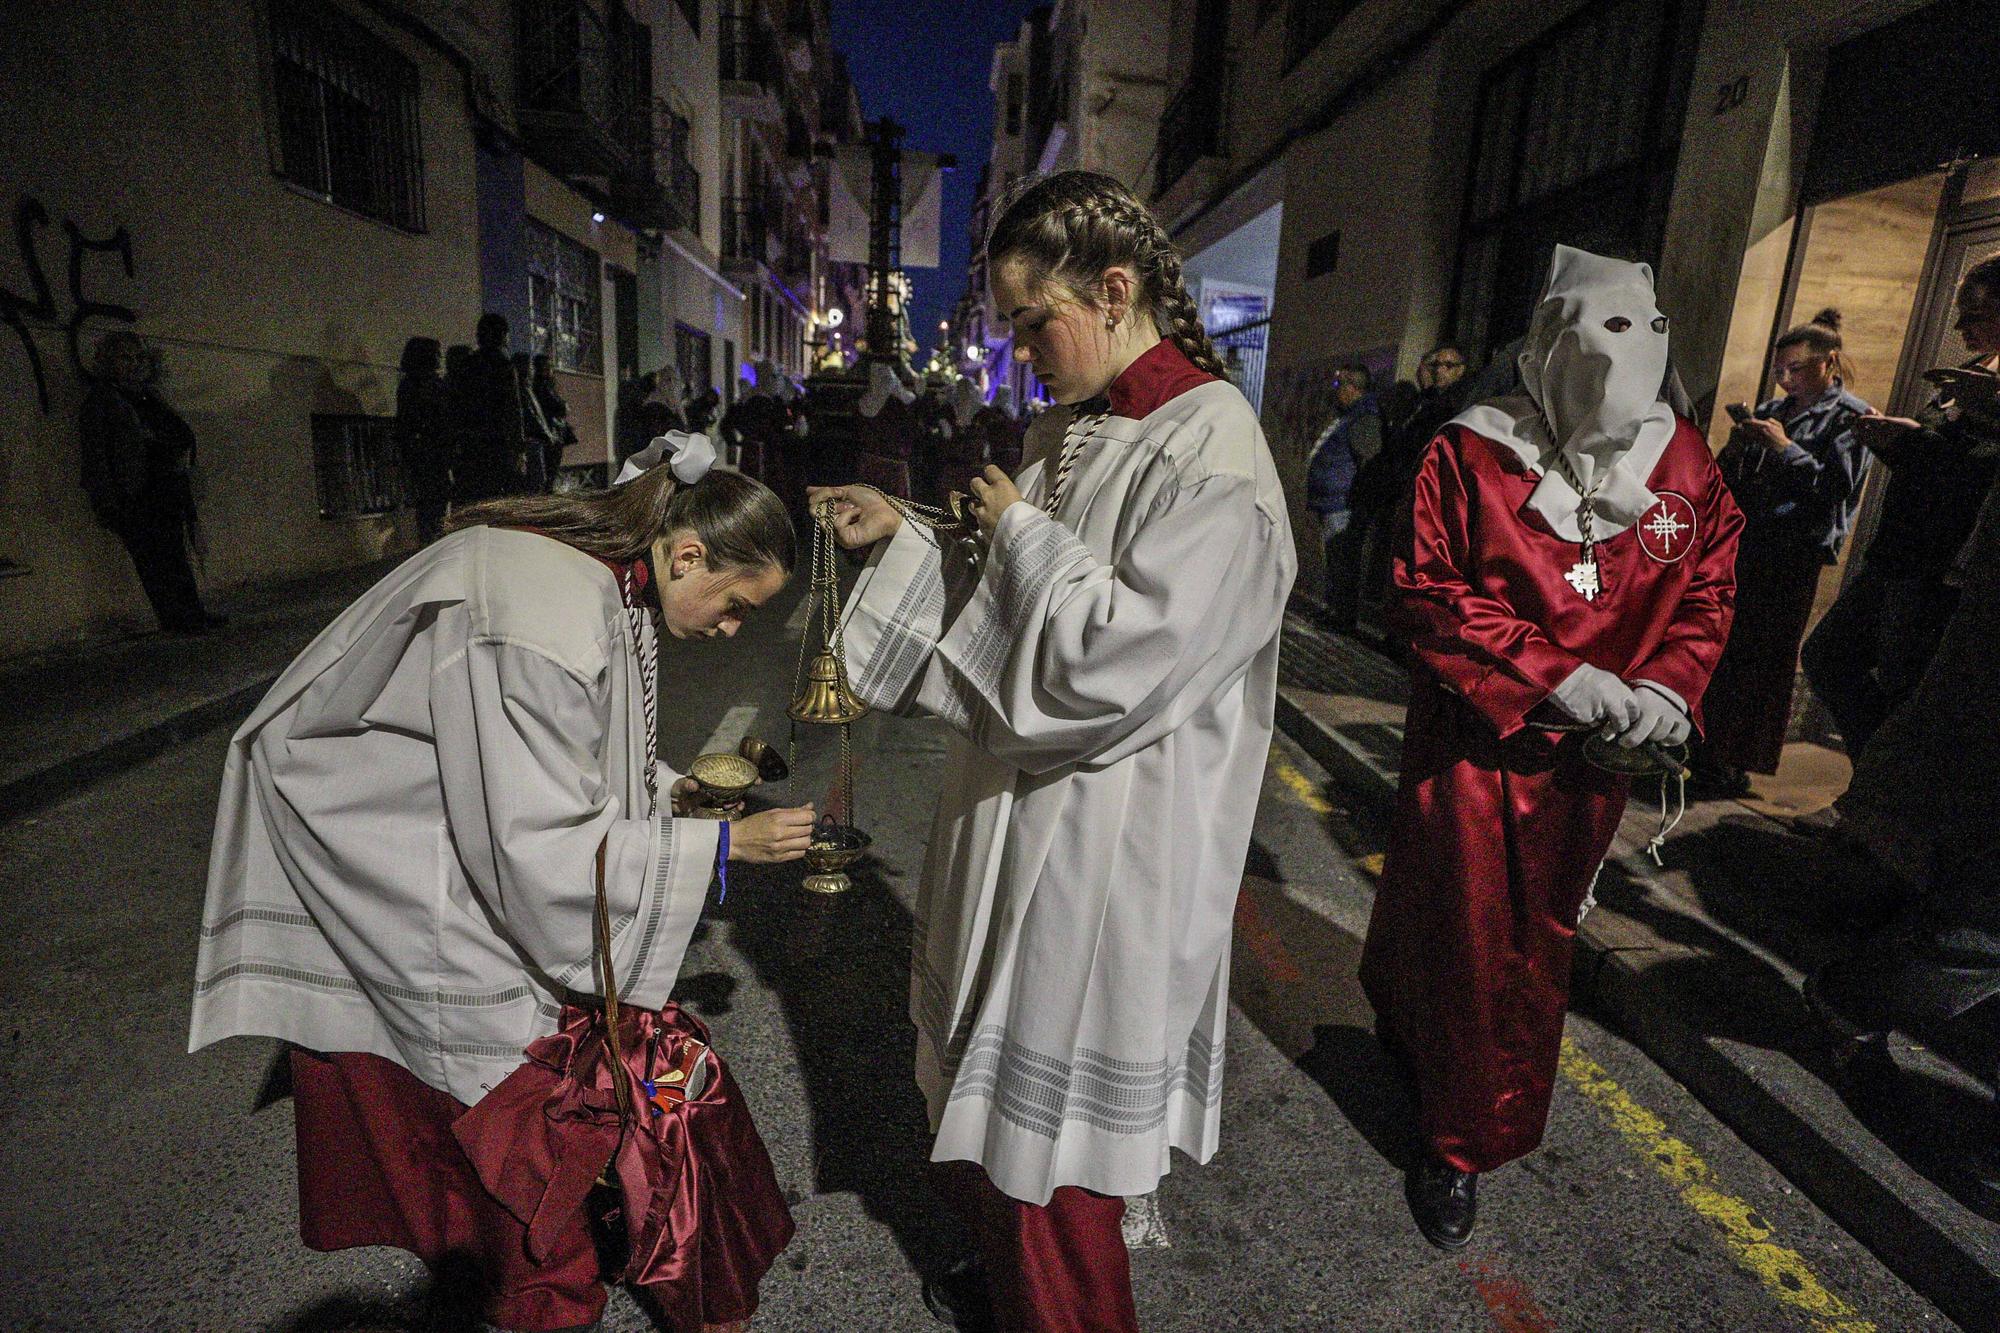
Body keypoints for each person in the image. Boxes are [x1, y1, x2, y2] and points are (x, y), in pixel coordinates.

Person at [809, 169, 1295, 1332]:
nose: (1023, 348)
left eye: (1036, 320)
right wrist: (918, 532)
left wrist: (1016, 531)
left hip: (1104, 835)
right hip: (1016, 805)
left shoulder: (1213, 452)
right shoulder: (1068, 428)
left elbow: (1116, 653)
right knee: (984, 1090)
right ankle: (1012, 1282)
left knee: (1051, 1142)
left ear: (1116, 290)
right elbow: (1014, 594)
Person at [189, 438, 813, 1332]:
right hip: (388, 856)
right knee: (498, 1083)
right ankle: (536, 1290)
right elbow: (537, 848)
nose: (731, 628)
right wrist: (715, 851)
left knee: (524, 1079)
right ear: (687, 554)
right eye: (736, 604)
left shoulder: (603, 581)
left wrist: (669, 789)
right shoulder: (542, 612)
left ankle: (542, 1273)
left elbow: (560, 764)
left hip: (437, 829)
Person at [1360, 246, 1741, 1249]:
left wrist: (1667, 684)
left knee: (1527, 935)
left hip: (1591, 765)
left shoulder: (1685, 470)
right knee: (1473, 931)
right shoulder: (1469, 452)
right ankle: (1459, 1139)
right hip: (1470, 742)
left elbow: (1705, 591)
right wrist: (1549, 674)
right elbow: (1422, 588)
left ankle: (1431, 1062)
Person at [1801, 260, 2000, 760]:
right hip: (1899, 550)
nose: (1960, 329)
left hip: (1946, 566)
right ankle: (1871, 787)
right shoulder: (1975, 372)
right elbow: (1940, 455)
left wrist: (1921, 440)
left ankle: (1878, 805)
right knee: (1827, 656)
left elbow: (1978, 472)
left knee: (1903, 687)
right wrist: (1895, 439)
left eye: (1975, 314)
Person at [1692, 310, 1872, 795]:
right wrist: (1742, 443)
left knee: (1764, 656)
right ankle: (1702, 751)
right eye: (1780, 370)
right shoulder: (1774, 409)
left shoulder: (1851, 416)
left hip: (1793, 550)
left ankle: (1735, 760)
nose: (1786, 379)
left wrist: (1785, 448)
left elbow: (1839, 488)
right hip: (1748, 538)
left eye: (1796, 369)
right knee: (1724, 644)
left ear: (1827, 363)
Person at [78, 330, 224, 633]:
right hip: (135, 494)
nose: (132, 364)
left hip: (164, 489)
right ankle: (176, 620)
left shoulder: (145, 396)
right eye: (125, 358)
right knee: (153, 562)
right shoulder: (102, 400)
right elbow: (97, 456)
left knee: (175, 556)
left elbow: (178, 433)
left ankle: (192, 615)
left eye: (136, 358)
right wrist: (108, 502)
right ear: (108, 362)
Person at [1349, 344, 1471, 631]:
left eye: (1447, 366)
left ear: (1462, 370)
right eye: (1434, 365)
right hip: (1400, 493)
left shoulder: (1455, 405)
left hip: (1422, 497)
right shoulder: (1423, 402)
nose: (1438, 371)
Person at [1304, 363, 1382, 629]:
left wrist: (1356, 499)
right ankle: (1335, 611)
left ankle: (1342, 616)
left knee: (1343, 561)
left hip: (1343, 505)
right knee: (1336, 560)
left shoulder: (1364, 418)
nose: (1335, 390)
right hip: (1333, 502)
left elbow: (1369, 460)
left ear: (1353, 387)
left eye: (1339, 384)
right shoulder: (1350, 415)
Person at [450, 313, 528, 503]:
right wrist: (519, 449)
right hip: (498, 445)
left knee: (476, 499)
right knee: (498, 499)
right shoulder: (504, 365)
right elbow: (512, 410)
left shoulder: (468, 364)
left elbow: (458, 405)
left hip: (471, 445)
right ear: (502, 335)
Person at [394, 336, 454, 543]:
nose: (440, 358)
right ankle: (433, 546)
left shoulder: (415, 384)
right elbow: (412, 423)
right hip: (430, 454)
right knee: (432, 506)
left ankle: (432, 544)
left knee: (433, 506)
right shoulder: (421, 385)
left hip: (430, 454)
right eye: (437, 354)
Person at [531, 353, 578, 490]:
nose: (552, 369)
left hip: (551, 434)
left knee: (549, 473)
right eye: (549, 366)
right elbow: (560, 407)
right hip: (551, 435)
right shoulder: (543, 386)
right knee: (550, 472)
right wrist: (563, 406)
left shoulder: (540, 385)